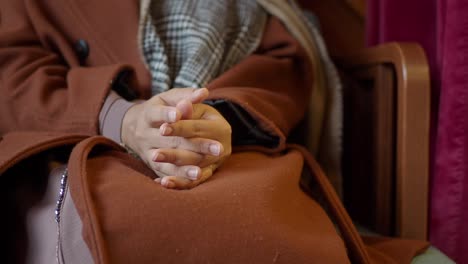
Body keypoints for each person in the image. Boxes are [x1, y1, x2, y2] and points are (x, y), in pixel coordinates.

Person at [0, 0, 428, 263]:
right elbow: (13, 74)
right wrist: (123, 119)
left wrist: (211, 120)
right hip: (75, 140)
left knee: (262, 229)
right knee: (119, 224)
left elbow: (283, 68)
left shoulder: (256, 10)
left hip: (227, 146)